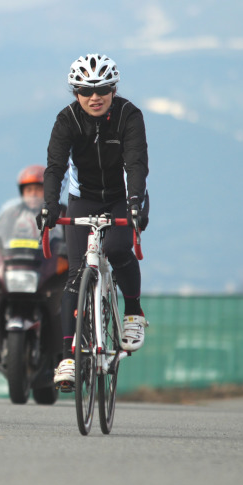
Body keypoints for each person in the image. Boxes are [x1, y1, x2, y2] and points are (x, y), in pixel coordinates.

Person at [37, 53, 150, 389]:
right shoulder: (67, 119)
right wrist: (50, 205)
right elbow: (55, 167)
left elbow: (136, 163)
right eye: (86, 90)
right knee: (74, 274)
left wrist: (134, 204)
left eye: (102, 88)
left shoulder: (129, 115)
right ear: (76, 93)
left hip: (122, 195)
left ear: (113, 89)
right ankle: (68, 357)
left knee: (116, 249)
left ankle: (132, 311)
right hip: (82, 195)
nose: (95, 96)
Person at [0, 165, 66, 370]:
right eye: (29, 190)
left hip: (47, 270)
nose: (33, 194)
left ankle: (66, 350)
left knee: (69, 293)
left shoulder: (61, 212)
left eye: (38, 189)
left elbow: (72, 238)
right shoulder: (11, 213)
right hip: (16, 268)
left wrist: (68, 250)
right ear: (22, 192)